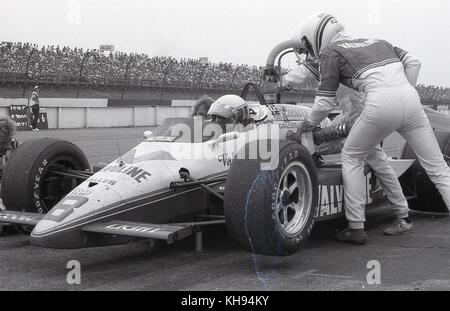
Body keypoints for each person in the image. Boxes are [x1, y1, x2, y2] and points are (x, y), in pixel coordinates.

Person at [289, 13, 450, 244]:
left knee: (351, 155)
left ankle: (355, 228)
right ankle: (402, 216)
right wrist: (405, 91)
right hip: (410, 103)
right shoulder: (378, 42)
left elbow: (322, 104)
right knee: (438, 170)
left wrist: (305, 126)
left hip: (376, 107)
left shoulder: (329, 53)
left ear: (314, 36)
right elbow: (414, 61)